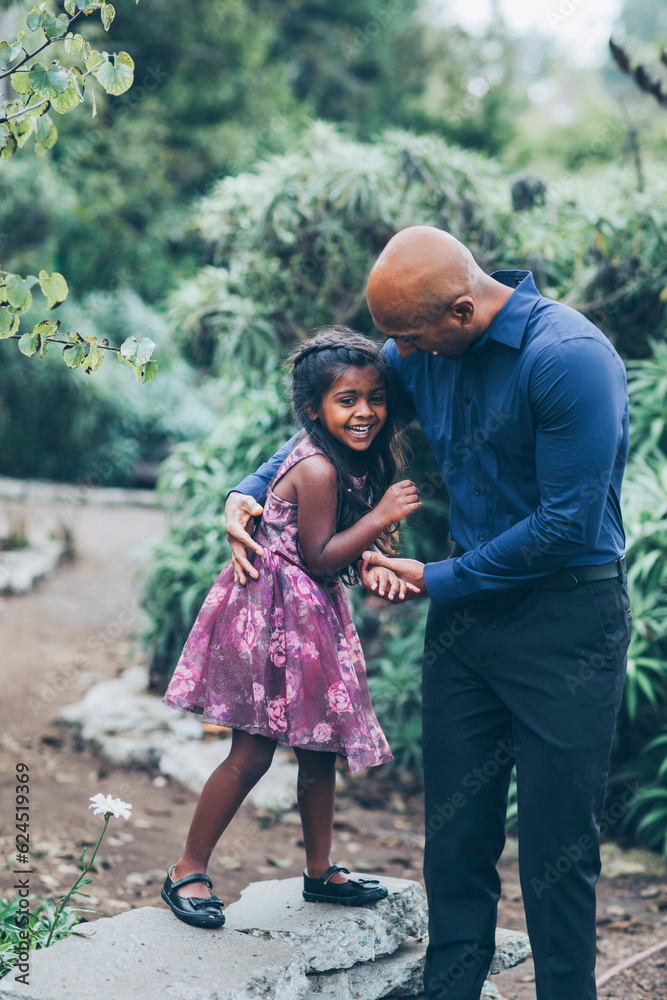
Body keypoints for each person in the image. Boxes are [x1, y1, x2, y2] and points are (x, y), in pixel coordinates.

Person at [225, 227, 631, 1000]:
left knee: (557, 844)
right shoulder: (426, 348)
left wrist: (437, 577)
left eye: (406, 338)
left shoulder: (568, 359)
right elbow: (340, 421)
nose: (394, 357)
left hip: (566, 621)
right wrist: (251, 486)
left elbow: (566, 524)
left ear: (461, 307)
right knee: (454, 835)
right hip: (467, 627)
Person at [161, 328, 421, 929]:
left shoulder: (345, 457)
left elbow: (335, 556)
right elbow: (320, 556)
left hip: (305, 617)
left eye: (375, 398)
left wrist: (373, 558)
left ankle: (320, 869)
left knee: (319, 751)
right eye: (347, 399)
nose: (365, 412)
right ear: (314, 409)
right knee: (251, 754)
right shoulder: (316, 467)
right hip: (273, 618)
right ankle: (186, 868)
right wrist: (381, 517)